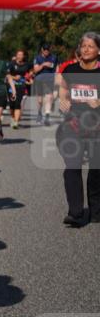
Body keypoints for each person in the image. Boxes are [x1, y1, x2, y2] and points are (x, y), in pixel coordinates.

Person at [54, 32, 100, 227]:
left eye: (91, 46)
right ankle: (76, 213)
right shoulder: (71, 69)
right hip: (73, 124)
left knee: (97, 171)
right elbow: (63, 87)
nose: (86, 49)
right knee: (72, 167)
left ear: (99, 50)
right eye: (83, 46)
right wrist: (62, 99)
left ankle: (96, 211)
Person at [33, 43, 60, 125]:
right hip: (39, 79)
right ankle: (39, 113)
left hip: (50, 79)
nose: (46, 51)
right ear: (42, 50)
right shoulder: (37, 58)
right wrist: (43, 64)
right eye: (45, 50)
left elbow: (57, 68)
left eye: (48, 50)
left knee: (49, 97)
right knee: (40, 100)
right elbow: (35, 70)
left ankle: (47, 116)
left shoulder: (54, 57)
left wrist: (57, 76)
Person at [7, 49, 33, 128]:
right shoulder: (12, 64)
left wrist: (29, 77)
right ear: (16, 55)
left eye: (21, 55)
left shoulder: (27, 64)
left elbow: (32, 71)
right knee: (12, 104)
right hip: (11, 85)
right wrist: (15, 77)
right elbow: (7, 75)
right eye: (18, 54)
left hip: (21, 85)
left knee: (18, 103)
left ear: (24, 56)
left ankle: (16, 122)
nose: (20, 56)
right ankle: (12, 117)